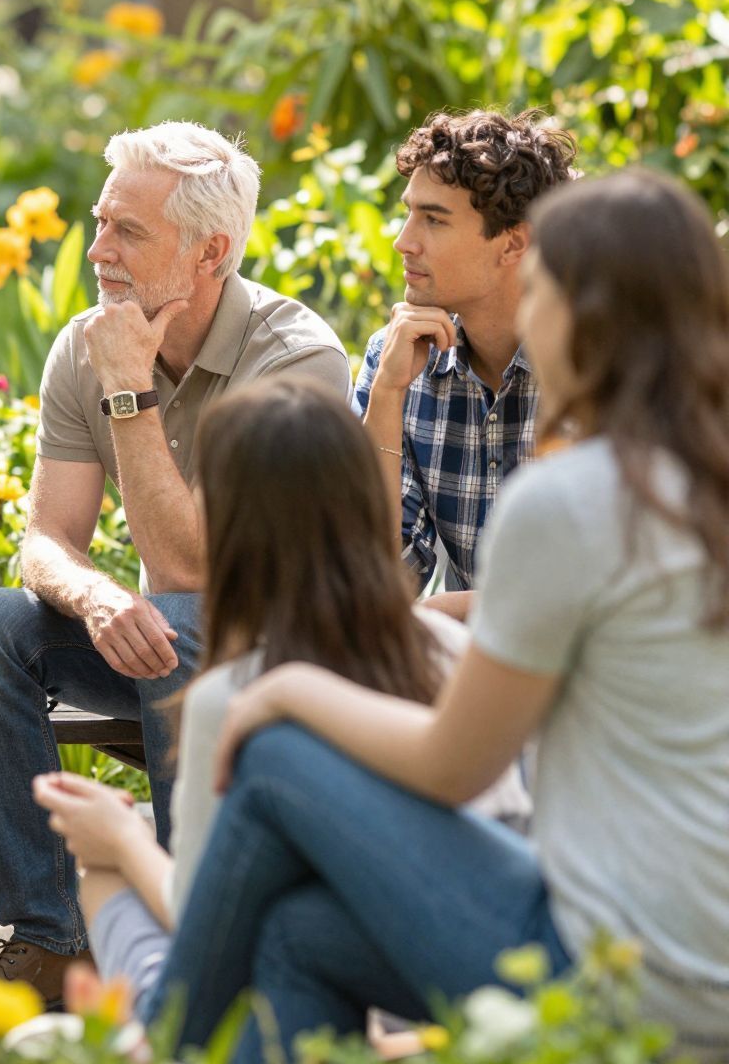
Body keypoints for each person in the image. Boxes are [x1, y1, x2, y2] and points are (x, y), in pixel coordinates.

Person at [157, 170, 729, 1064]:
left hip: (623, 976)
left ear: (578, 315)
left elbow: (455, 765)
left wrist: (290, 689)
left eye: (540, 293)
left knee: (274, 759)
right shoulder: (700, 480)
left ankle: (149, 1063)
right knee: (297, 933)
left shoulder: (574, 499)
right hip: (705, 964)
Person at [0, 121, 350, 1028]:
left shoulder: (294, 359)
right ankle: (50, 939)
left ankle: (191, 937)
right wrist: (97, 594)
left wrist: (129, 389)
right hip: (168, 637)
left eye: (128, 231)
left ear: (211, 253)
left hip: (288, 653)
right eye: (99, 222)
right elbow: (47, 539)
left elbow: (199, 567)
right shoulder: (88, 343)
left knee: (180, 621)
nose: (98, 251)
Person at [33, 378, 527, 1006]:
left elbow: (200, 911)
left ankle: (147, 1034)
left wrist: (122, 838)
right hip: (476, 961)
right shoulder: (448, 649)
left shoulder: (239, 694)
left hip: (316, 976)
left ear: (231, 527)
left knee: (107, 870)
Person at [353, 111, 576, 606]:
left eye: (434, 220)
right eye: (409, 213)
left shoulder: (599, 363)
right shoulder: (395, 359)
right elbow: (372, 584)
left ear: (513, 243)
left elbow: (592, 591)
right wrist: (386, 397)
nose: (403, 242)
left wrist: (437, 614)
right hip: (454, 642)